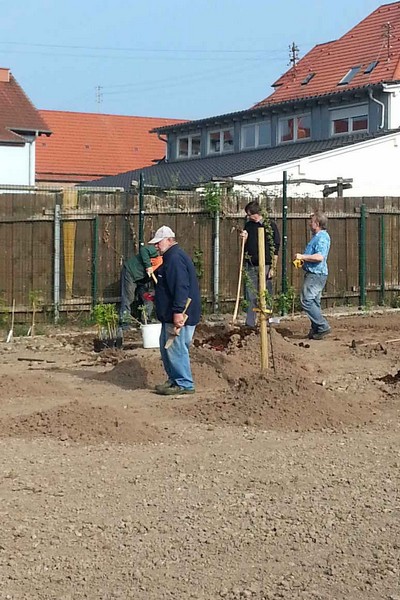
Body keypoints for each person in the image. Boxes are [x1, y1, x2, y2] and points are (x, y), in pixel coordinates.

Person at [148, 225, 201, 396]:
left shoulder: (175, 258)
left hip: (179, 314)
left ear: (170, 240)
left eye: (159, 242)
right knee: (167, 348)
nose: (156, 246)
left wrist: (178, 311)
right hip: (171, 314)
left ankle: (184, 383)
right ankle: (174, 380)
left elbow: (181, 286)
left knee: (176, 348)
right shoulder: (171, 257)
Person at [240, 200, 280, 328]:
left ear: (256, 214)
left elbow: (276, 248)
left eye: (249, 214)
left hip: (266, 265)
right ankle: (250, 323)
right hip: (251, 265)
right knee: (251, 294)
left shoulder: (270, 226)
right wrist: (243, 238)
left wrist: (273, 268)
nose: (248, 217)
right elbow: (244, 245)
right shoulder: (248, 226)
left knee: (266, 293)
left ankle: (267, 321)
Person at [294, 211, 331, 340]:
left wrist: (302, 256)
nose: (309, 223)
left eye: (312, 221)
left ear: (317, 223)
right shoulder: (318, 236)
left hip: (316, 274)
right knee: (314, 301)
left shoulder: (322, 237)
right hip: (315, 273)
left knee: (306, 301)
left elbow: (319, 257)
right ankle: (317, 330)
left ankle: (322, 326)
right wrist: (303, 261)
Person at [119, 245, 163, 327]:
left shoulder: (166, 266)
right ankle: (124, 323)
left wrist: (156, 291)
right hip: (131, 273)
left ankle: (146, 321)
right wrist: (148, 266)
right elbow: (144, 250)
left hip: (142, 279)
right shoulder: (157, 251)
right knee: (128, 298)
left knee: (148, 298)